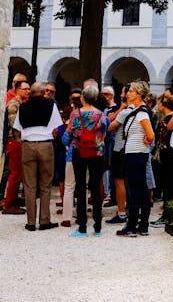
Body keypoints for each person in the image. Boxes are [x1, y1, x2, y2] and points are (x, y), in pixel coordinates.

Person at [13, 81, 62, 231]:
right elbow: (56, 128)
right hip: (45, 145)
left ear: (31, 92)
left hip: (28, 145)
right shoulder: (51, 105)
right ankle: (44, 220)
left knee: (29, 185)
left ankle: (30, 222)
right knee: (46, 184)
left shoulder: (23, 107)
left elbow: (17, 129)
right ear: (42, 92)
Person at [63, 84, 108, 238]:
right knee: (95, 188)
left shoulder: (75, 114)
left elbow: (69, 134)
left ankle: (82, 227)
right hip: (97, 153)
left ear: (82, 98)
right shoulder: (102, 115)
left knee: (80, 188)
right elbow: (104, 134)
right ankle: (97, 227)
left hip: (79, 152)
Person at [116, 80, 155, 237]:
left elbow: (150, 135)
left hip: (136, 153)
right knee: (142, 189)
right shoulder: (139, 111)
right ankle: (142, 225)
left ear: (139, 94)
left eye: (131, 91)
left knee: (135, 189)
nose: (127, 93)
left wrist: (147, 139)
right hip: (137, 153)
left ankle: (132, 225)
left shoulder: (141, 113)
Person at [106, 85, 134, 225]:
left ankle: (121, 212)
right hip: (131, 149)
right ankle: (132, 210)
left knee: (119, 181)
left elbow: (109, 127)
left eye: (123, 91)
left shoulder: (124, 112)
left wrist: (120, 109)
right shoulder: (138, 110)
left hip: (119, 148)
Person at [2, 79, 30, 214]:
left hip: (19, 141)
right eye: (25, 89)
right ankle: (8, 205)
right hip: (15, 142)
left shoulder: (21, 103)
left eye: (29, 89)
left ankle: (12, 201)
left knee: (17, 174)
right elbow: (15, 125)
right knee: (15, 174)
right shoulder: (13, 104)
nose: (28, 91)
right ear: (18, 90)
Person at [150, 91, 173, 227]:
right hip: (167, 155)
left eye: (159, 103)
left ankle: (168, 215)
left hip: (167, 156)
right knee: (167, 185)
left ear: (164, 104)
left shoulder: (168, 119)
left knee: (168, 185)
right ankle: (168, 214)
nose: (157, 106)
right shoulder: (167, 118)